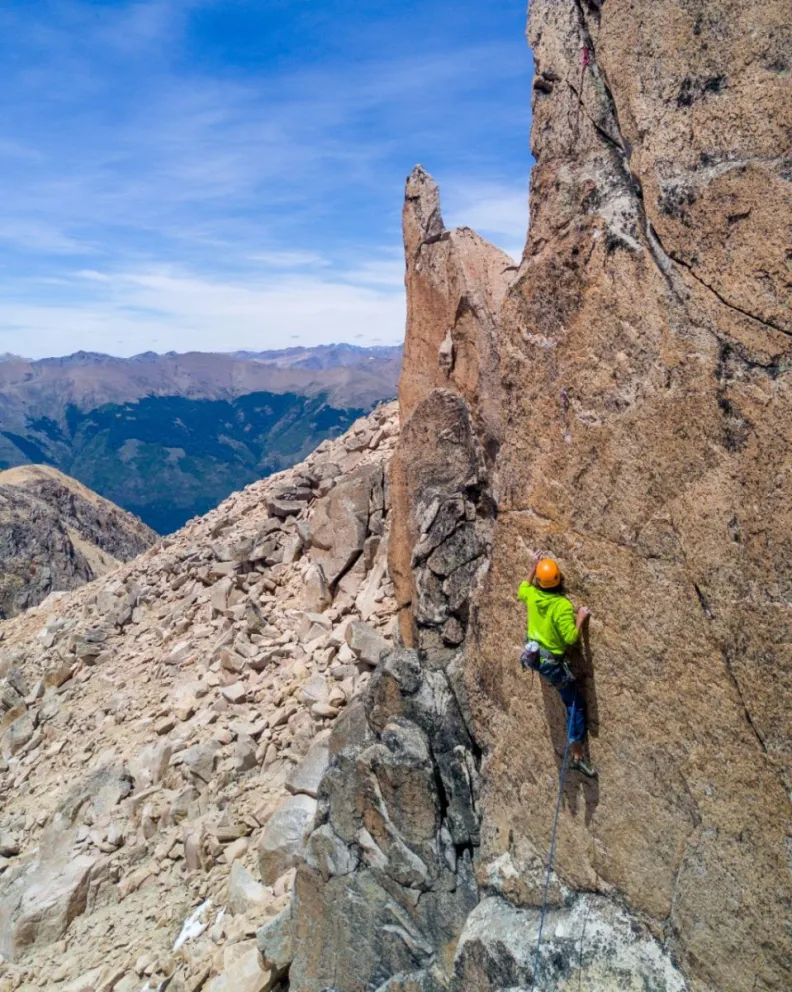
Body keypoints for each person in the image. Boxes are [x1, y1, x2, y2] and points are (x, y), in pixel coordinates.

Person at [517, 554, 597, 778]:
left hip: (534, 657)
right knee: (574, 703)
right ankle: (577, 754)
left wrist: (533, 567)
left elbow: (521, 588)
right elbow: (571, 638)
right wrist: (580, 617)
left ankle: (577, 752)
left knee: (568, 695)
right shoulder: (561, 605)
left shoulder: (532, 595)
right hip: (551, 663)